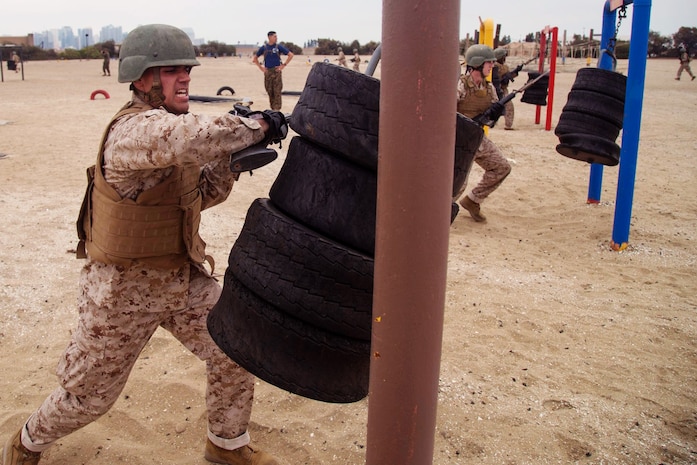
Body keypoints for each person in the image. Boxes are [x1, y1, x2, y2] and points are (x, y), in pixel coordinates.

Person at [1, 24, 287, 465]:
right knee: (88, 399)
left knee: (236, 348)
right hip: (122, 294)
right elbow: (191, 136)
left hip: (180, 279)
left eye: (186, 69)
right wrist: (257, 124)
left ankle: (226, 445)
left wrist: (230, 166)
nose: (184, 78)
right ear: (140, 79)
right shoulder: (136, 131)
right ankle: (26, 442)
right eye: (170, 71)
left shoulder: (169, 129)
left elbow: (199, 196)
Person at [455, 44, 511, 223]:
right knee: (458, 182)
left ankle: (473, 200)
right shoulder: (460, 85)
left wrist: (494, 114)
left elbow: (491, 117)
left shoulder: (489, 88)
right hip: (460, 140)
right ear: (478, 64)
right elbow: (445, 114)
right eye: (489, 63)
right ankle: (439, 212)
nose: (492, 66)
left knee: (502, 167)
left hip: (477, 138)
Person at [253, 31, 294, 110]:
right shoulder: (264, 48)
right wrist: (261, 68)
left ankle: (277, 110)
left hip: (276, 71)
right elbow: (255, 58)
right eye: (274, 36)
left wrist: (283, 65)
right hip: (268, 72)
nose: (276, 38)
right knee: (269, 90)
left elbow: (290, 55)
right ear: (269, 37)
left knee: (277, 91)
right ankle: (272, 109)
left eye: (276, 36)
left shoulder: (278, 47)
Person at [494, 47, 515, 130]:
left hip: (503, 89)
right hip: (496, 89)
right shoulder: (494, 66)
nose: (504, 58)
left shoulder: (504, 66)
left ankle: (508, 125)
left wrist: (514, 73)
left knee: (509, 107)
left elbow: (508, 75)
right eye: (503, 57)